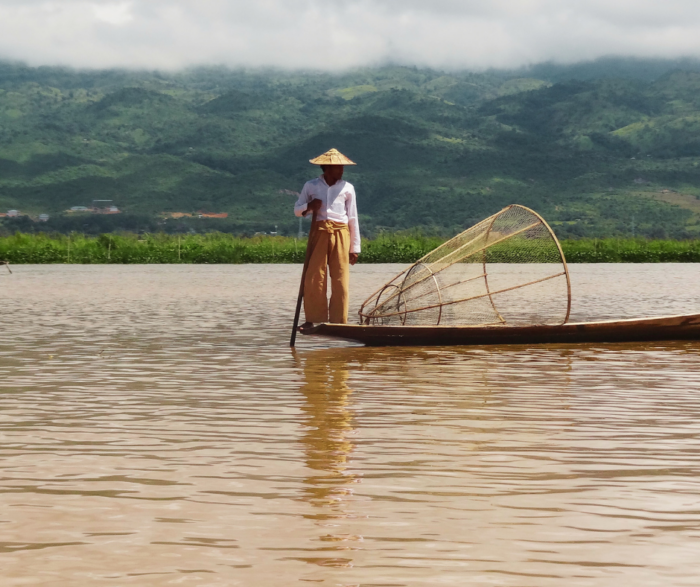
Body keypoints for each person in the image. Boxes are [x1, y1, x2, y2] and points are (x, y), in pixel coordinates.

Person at [295, 148, 361, 330]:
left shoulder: (348, 188)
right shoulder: (311, 186)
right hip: (320, 231)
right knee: (314, 277)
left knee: (341, 279)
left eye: (342, 167)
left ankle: (339, 321)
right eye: (337, 167)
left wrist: (354, 248)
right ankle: (313, 319)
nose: (341, 170)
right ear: (326, 168)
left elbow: (353, 218)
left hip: (341, 233)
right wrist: (310, 206)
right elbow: (297, 210)